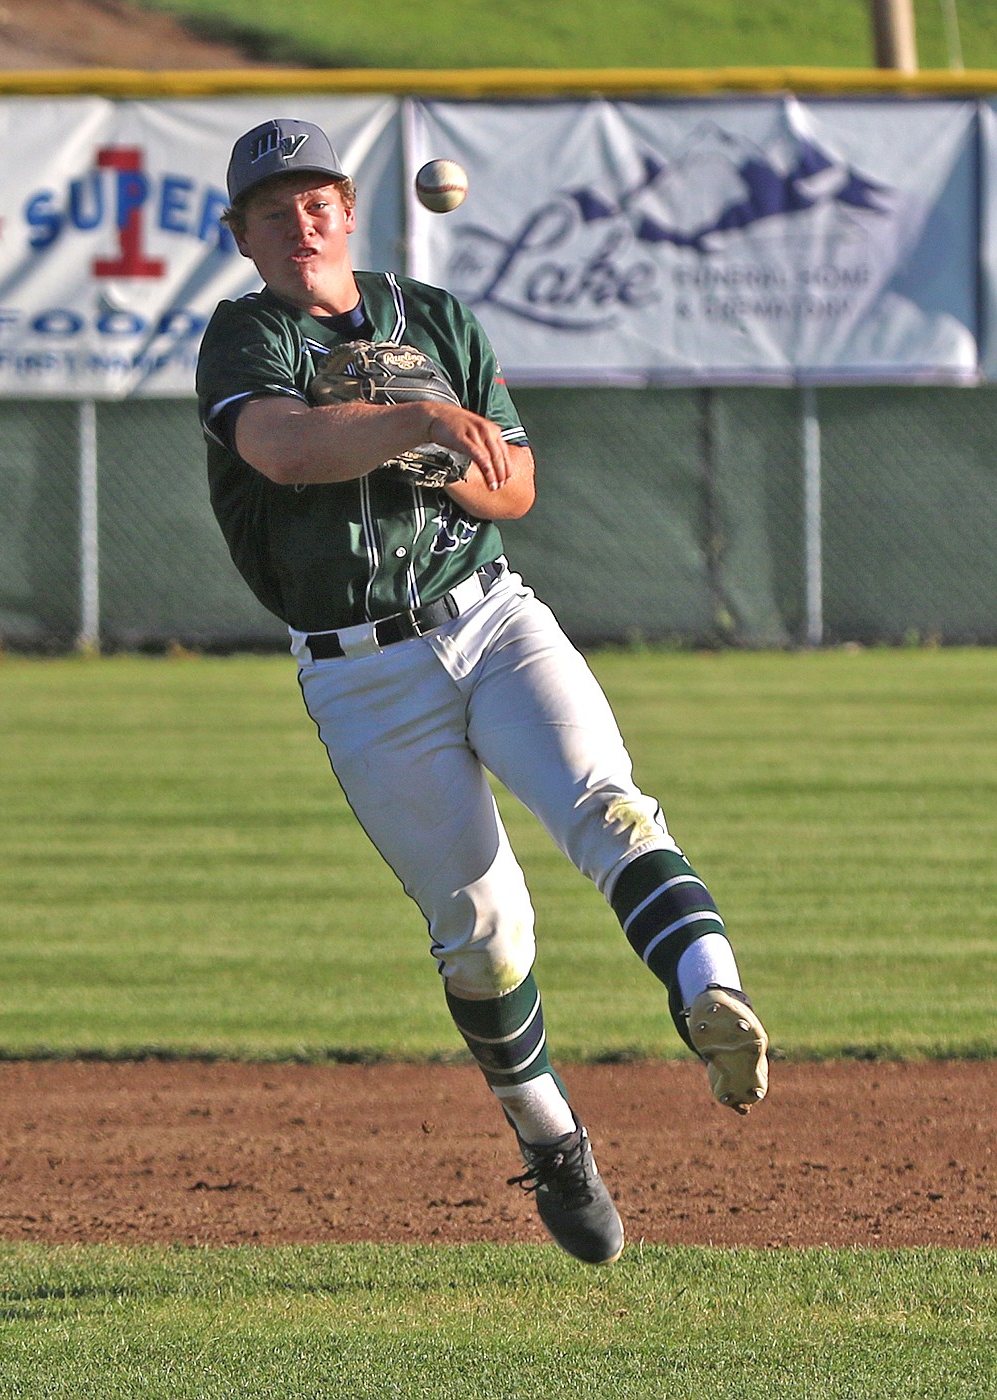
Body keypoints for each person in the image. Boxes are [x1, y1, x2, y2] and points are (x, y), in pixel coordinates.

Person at [196, 118, 769, 1266]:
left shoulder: (438, 320)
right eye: (274, 209)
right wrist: (412, 419)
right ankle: (550, 1134)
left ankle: (712, 995)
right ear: (242, 236)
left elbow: (516, 489)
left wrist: (447, 448)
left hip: (492, 615)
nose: (300, 221)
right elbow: (282, 449)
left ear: (348, 211)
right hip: (364, 674)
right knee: (483, 928)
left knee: (609, 807)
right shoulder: (244, 337)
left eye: (317, 200)